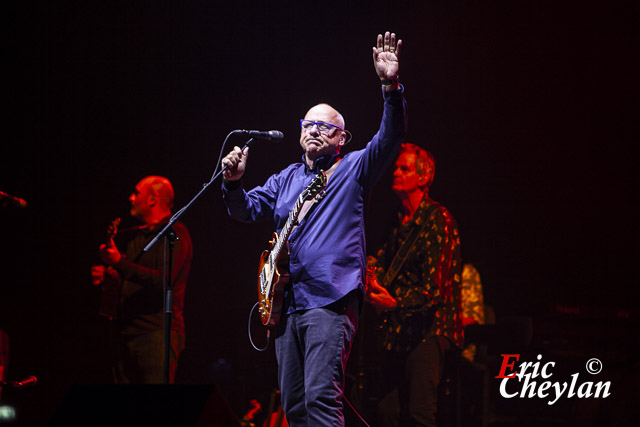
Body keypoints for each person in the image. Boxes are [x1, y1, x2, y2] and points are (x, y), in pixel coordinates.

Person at [221, 31, 407, 426]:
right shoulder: (285, 178)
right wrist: (233, 182)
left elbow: (391, 138)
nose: (314, 130)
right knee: (294, 404)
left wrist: (389, 86)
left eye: (325, 126)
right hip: (287, 303)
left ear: (342, 138)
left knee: (322, 397)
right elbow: (244, 211)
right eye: (308, 124)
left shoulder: (355, 167)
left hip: (331, 295)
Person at [365, 143, 463, 426]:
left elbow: (435, 290)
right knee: (386, 411)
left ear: (423, 177)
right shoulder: (398, 220)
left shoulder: (438, 220)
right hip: (400, 330)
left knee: (419, 413)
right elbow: (382, 261)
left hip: (430, 329)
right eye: (395, 167)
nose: (395, 172)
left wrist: (393, 301)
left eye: (404, 168)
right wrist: (371, 276)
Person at [90, 176, 193, 384]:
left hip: (156, 335)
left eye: (136, 193)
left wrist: (119, 263)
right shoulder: (137, 238)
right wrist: (110, 276)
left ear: (153, 199)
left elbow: (164, 281)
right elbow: (135, 278)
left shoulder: (175, 234)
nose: (131, 198)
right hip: (125, 334)